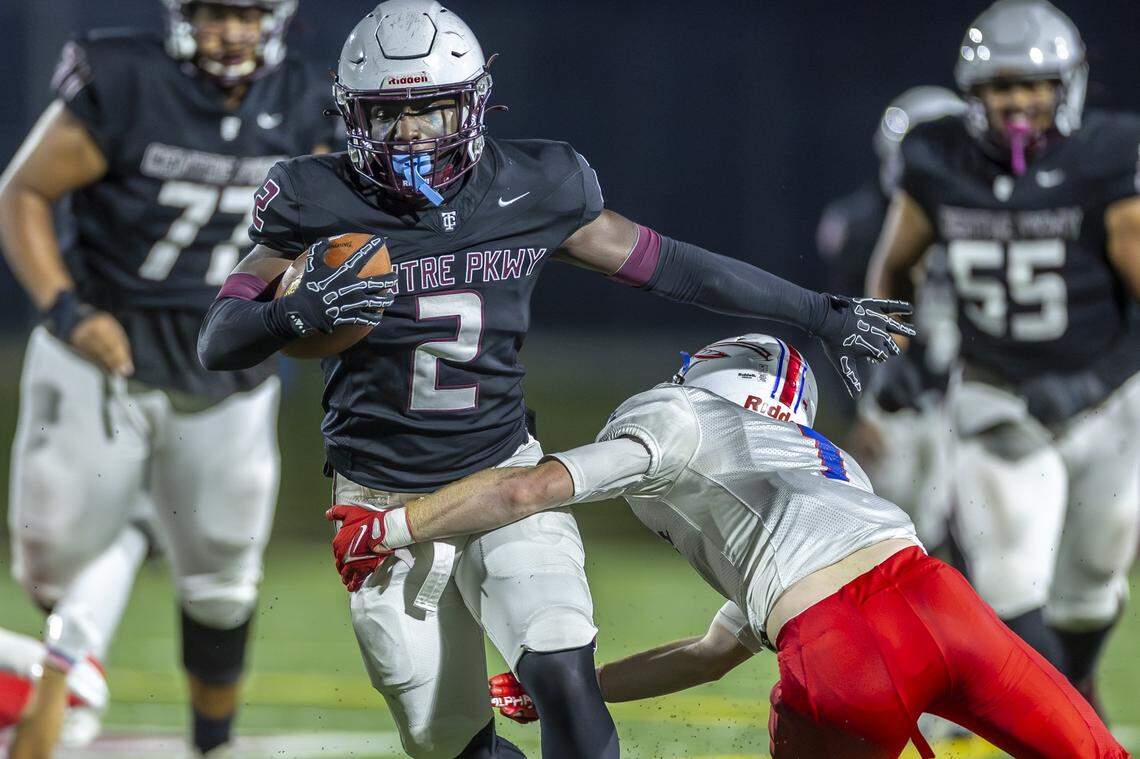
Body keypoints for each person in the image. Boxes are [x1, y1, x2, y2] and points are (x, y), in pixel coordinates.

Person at [195, 2, 913, 756]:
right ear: (352, 117)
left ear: (472, 104)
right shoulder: (316, 198)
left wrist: (818, 311)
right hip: (379, 505)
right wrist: (288, 314)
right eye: (389, 115)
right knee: (449, 743)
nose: (412, 135)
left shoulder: (535, 185)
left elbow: (673, 264)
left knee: (564, 675)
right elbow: (219, 336)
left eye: (433, 109)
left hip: (504, 473)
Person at [328, 333, 1127, 759]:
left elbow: (526, 485)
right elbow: (711, 650)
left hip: (841, 646)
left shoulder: (680, 415)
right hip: (941, 602)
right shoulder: (822, 463)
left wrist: (394, 524)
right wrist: (582, 687)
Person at [0, 1, 335, 754]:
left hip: (226, 364)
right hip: (105, 346)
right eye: (217, 11)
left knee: (222, 574)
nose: (234, 31)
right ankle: (106, 584)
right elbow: (20, 193)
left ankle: (212, 743)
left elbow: (335, 229)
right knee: (47, 556)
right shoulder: (127, 78)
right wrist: (64, 308)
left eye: (251, 12)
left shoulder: (306, 101)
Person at [866, 0, 1140, 712]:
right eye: (998, 87)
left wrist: (1090, 381)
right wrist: (892, 349)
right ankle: (1074, 727)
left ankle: (1070, 690)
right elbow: (893, 268)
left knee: (1091, 582)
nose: (1016, 103)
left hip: (1110, 399)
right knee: (1010, 580)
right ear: (971, 93)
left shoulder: (1108, 157)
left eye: (1033, 85)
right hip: (997, 390)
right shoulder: (937, 157)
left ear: (1068, 84)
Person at [817, 86, 965, 550]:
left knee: (969, 526)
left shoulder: (991, 214)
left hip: (969, 388)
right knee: (893, 526)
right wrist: (858, 407)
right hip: (898, 392)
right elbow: (839, 327)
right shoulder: (863, 227)